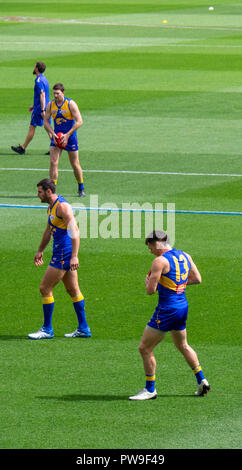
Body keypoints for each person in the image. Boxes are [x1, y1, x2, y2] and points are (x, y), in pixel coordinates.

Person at [129, 230, 210, 400]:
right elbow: (197, 279)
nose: (150, 250)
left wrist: (149, 283)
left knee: (145, 348)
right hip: (182, 307)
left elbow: (150, 291)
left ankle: (150, 389)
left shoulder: (159, 261)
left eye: (150, 247)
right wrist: (177, 284)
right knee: (183, 345)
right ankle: (201, 379)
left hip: (167, 310)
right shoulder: (184, 255)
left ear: (157, 245)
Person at [28, 178, 91, 340]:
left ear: (49, 192)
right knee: (73, 290)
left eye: (40, 192)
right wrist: (40, 250)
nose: (38, 195)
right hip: (63, 253)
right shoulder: (51, 208)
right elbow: (48, 231)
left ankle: (47, 329)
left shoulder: (63, 207)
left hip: (63, 254)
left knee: (44, 288)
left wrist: (74, 256)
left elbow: (75, 231)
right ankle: (83, 328)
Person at [43, 83, 86, 197]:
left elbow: (79, 121)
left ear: (63, 92)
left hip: (70, 138)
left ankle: (81, 187)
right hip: (57, 138)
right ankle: (53, 190)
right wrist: (52, 134)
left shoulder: (70, 104)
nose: (55, 96)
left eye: (57, 93)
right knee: (53, 162)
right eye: (54, 94)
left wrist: (67, 135)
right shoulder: (50, 105)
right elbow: (46, 121)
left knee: (74, 163)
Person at [11, 61, 51, 155]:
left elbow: (42, 94)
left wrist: (41, 109)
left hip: (40, 109)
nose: (33, 68)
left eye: (34, 67)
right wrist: (34, 105)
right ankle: (55, 147)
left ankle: (23, 148)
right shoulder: (44, 79)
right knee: (48, 128)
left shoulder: (38, 81)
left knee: (32, 127)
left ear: (37, 68)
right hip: (47, 107)